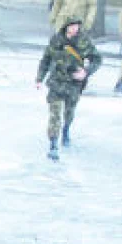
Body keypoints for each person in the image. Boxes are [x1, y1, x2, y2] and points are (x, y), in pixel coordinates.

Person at [35, 18, 101, 161]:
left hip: (73, 84)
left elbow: (97, 59)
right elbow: (46, 59)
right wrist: (39, 78)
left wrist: (86, 72)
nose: (75, 29)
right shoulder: (57, 40)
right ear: (66, 27)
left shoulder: (84, 41)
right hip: (56, 82)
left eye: (77, 26)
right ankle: (53, 144)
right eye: (72, 26)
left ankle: (66, 129)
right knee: (55, 114)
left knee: (69, 112)